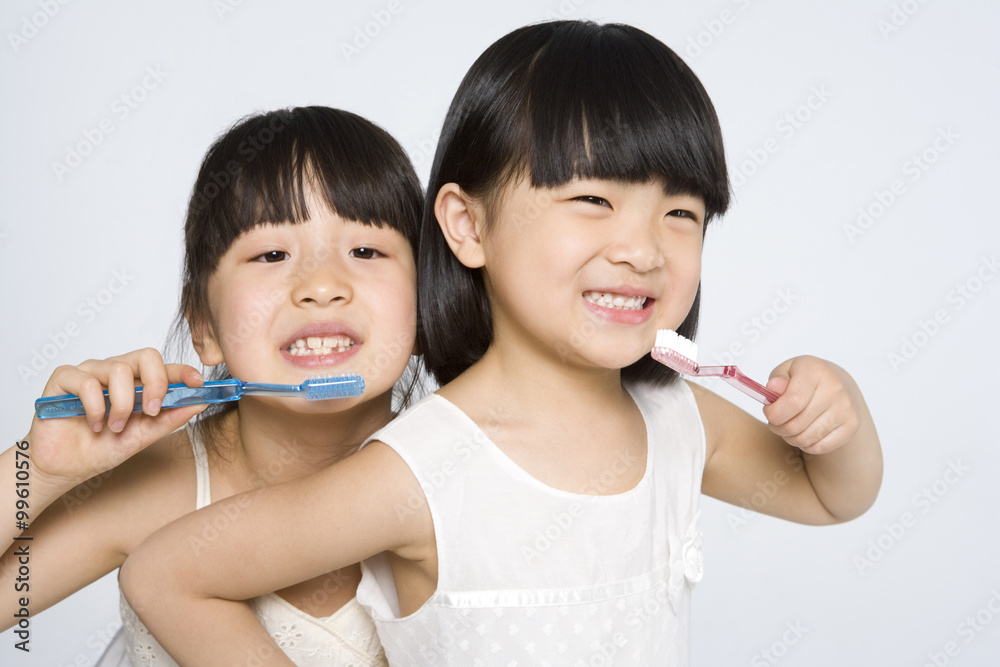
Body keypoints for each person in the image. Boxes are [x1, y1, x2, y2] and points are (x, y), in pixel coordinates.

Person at [120, 21, 882, 665]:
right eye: (592, 199)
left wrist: (837, 410)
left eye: (681, 213)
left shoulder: (681, 421)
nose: (644, 249)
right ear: (468, 225)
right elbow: (166, 575)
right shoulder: (420, 467)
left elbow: (827, 492)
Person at [1, 105, 423, 666]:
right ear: (205, 328)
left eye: (365, 251)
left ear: (430, 305)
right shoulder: (161, 483)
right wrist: (39, 468)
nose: (322, 285)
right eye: (272, 254)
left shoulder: (457, 473)